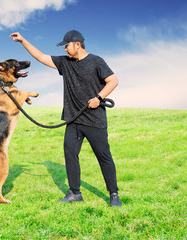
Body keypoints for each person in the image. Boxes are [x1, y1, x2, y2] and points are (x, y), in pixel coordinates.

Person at [10, 30, 121, 207]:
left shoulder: (96, 61)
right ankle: (75, 193)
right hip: (73, 120)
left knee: (104, 156)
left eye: (67, 46)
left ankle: (114, 193)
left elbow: (113, 81)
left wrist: (98, 98)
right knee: (70, 154)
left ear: (77, 44)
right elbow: (40, 56)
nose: (65, 50)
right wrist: (23, 40)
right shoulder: (65, 63)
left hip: (94, 120)